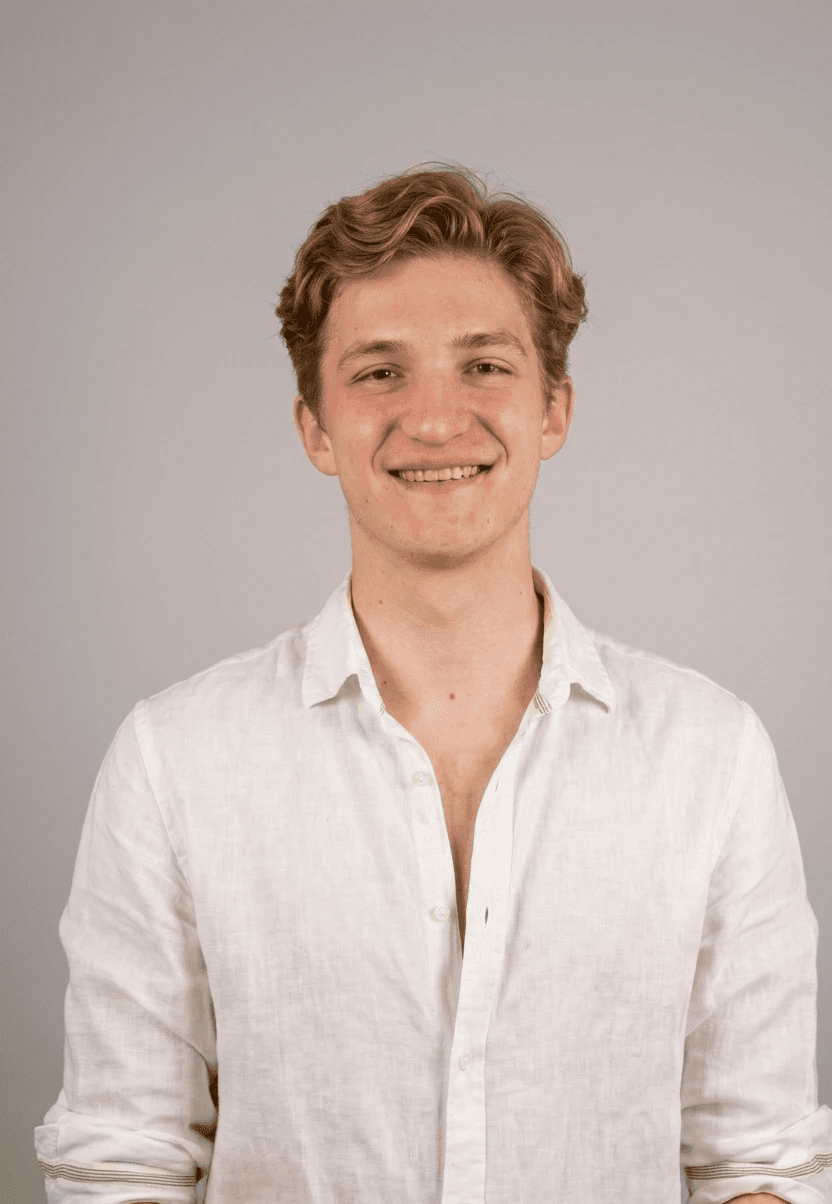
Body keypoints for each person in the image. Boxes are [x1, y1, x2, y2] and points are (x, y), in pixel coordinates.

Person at [35, 164, 831, 1204]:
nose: (436, 418)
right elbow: (121, 1161)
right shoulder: (173, 762)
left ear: (554, 409)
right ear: (315, 427)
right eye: (378, 373)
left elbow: (755, 1162)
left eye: (483, 365)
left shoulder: (711, 756)